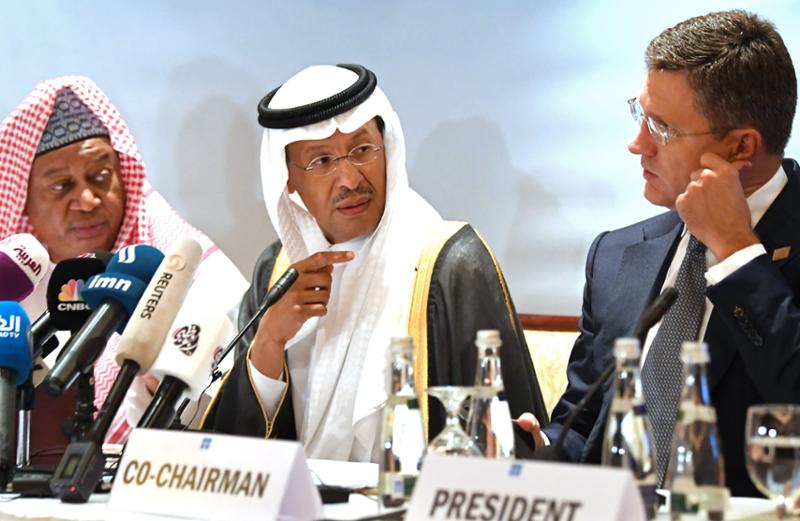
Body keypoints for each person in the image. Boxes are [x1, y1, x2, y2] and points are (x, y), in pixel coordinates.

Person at [202, 64, 547, 461]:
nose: (349, 179)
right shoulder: (276, 273)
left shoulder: (452, 265)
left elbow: (510, 444)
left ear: (388, 148)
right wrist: (269, 340)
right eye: (322, 161)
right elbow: (230, 458)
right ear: (288, 178)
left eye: (362, 150)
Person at [518, 10, 799, 497]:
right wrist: (537, 446)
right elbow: (583, 430)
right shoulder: (616, 256)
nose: (638, 144)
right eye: (640, 114)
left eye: (662, 127)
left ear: (741, 147)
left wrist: (736, 251)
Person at [0, 76, 248, 445]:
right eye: (61, 186)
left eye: (101, 176)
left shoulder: (183, 264)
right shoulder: (13, 273)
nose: (87, 200)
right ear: (23, 200)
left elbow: (235, 407)